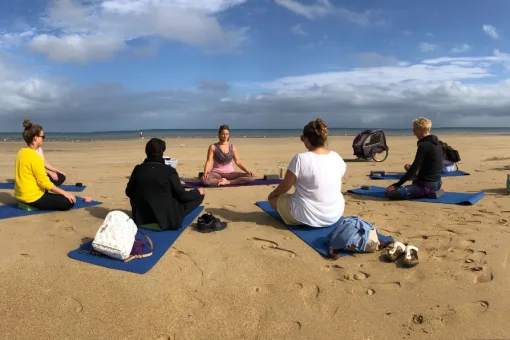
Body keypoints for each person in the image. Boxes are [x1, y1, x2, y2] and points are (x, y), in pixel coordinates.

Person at [267, 118, 346, 228]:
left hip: (306, 215)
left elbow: (285, 186)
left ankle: (297, 218)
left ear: (306, 139)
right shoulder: (336, 157)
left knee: (274, 200)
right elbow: (339, 183)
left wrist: (272, 194)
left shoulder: (300, 158)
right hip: (334, 214)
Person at [126, 138, 206, 230]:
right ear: (162, 152)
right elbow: (182, 196)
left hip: (141, 219)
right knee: (199, 194)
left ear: (146, 152)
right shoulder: (169, 171)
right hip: (166, 221)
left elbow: (128, 192)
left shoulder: (138, 169)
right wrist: (197, 192)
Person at [15, 121, 76, 210]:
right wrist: (64, 192)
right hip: (33, 197)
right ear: (35, 138)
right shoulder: (35, 157)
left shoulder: (21, 152)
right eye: (42, 136)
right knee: (69, 201)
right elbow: (44, 183)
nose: (44, 138)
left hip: (20, 194)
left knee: (56, 180)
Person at [386, 117, 443, 200]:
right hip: (438, 183)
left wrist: (397, 185)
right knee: (415, 182)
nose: (413, 132)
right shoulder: (437, 143)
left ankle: (426, 192)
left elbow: (413, 168)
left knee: (389, 193)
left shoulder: (424, 145)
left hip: (427, 186)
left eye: (415, 129)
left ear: (421, 129)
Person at [20, 120, 67, 186]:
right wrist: (49, 172)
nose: (43, 139)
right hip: (33, 178)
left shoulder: (38, 149)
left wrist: (57, 171)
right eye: (42, 137)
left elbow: (45, 164)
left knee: (61, 176)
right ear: (35, 138)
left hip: (39, 173)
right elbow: (33, 170)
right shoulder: (29, 153)